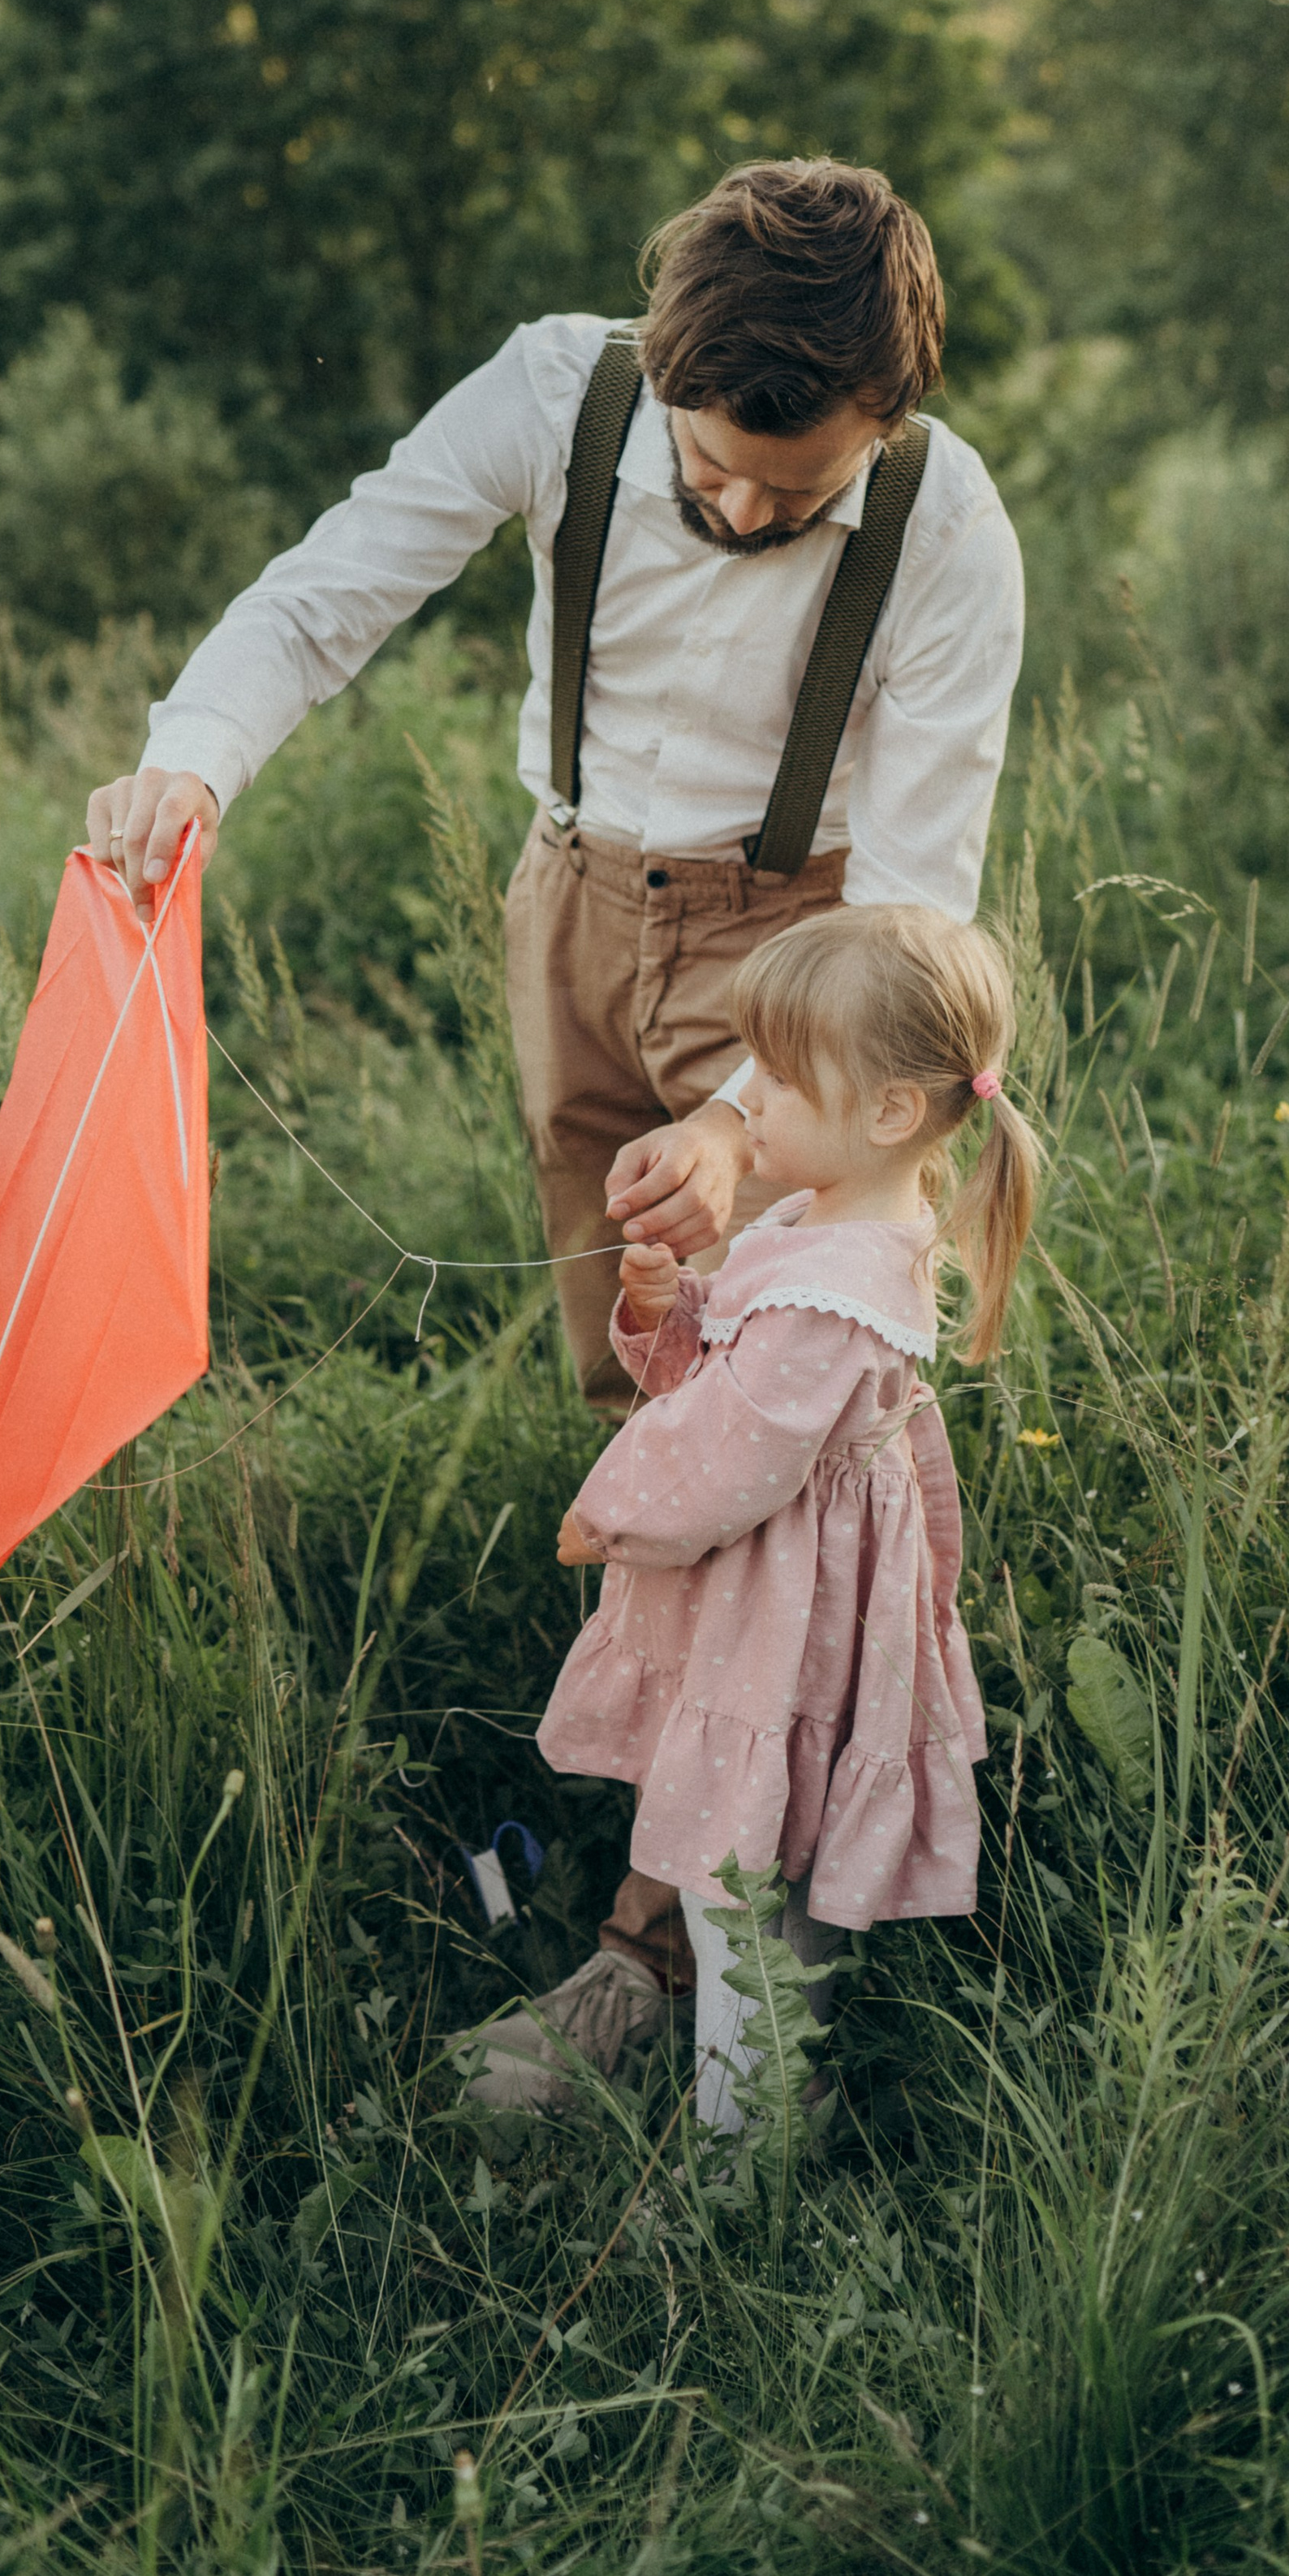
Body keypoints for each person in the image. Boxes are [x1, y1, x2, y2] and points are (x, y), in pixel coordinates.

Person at [87, 155, 1024, 2085]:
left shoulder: (945, 524)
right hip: (574, 914)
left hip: (810, 960)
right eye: (714, 472)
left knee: (754, 1445)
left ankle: (657, 1964)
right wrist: (187, 766)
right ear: (658, 370)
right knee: (637, 1392)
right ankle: (693, 1859)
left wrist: (755, 1129)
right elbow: (321, 595)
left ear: (890, 418)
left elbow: (922, 891)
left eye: (802, 488)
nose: (750, 512)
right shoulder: (551, 392)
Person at [464, 904, 1039, 2124]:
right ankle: (778, 2099)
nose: (751, 1101)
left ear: (888, 1113)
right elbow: (723, 1373)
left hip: (785, 1613)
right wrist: (672, 1308)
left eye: (779, 1079)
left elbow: (735, 1452)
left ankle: (749, 2147)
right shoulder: (831, 1220)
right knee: (775, 1862)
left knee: (742, 1878)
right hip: (795, 1599)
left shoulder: (836, 1289)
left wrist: (606, 1512)